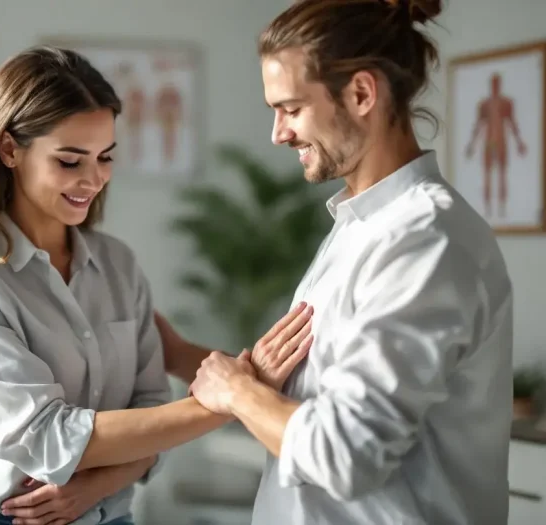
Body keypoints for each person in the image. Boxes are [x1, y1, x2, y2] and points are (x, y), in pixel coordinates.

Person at [0, 46, 314, 525]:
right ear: (9, 150)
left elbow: (151, 409)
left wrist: (96, 486)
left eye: (104, 157)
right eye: (70, 161)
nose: (93, 179)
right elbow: (42, 437)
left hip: (109, 514)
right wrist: (234, 400)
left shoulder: (118, 265)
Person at [176, 0, 515, 524]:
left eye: (290, 108)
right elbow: (321, 404)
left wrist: (238, 392)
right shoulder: (358, 227)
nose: (278, 134)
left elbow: (344, 455)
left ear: (361, 93)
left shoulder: (425, 239)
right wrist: (228, 373)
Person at [465, 72, 528, 218]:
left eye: (496, 83)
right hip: (488, 141)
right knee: (487, 174)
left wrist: (519, 143)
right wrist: (472, 145)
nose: (495, 86)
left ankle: (502, 208)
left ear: (499, 85)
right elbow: (479, 125)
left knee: (501, 174)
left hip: (500, 140)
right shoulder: (484, 104)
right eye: (493, 83)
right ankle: (487, 210)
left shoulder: (506, 103)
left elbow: (512, 123)